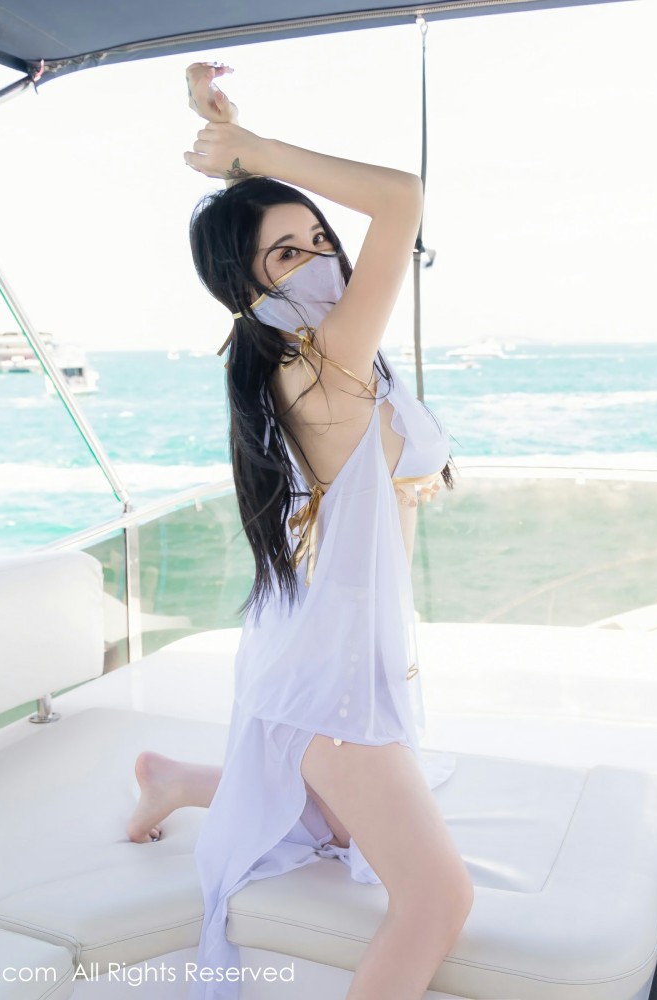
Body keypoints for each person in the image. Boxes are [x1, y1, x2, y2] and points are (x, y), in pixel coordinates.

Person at [123, 63, 472, 1000]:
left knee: (332, 820)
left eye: (322, 239)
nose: (321, 257)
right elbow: (401, 198)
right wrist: (256, 152)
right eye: (289, 253)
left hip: (322, 649)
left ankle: (180, 780)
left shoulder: (317, 355)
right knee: (437, 900)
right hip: (331, 684)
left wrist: (244, 158)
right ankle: (196, 779)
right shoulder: (323, 360)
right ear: (247, 287)